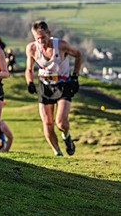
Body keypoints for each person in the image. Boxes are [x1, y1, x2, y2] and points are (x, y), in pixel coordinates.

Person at [25, 20, 83, 156]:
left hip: (62, 84)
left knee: (61, 122)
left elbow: (78, 55)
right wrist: (30, 82)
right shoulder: (32, 48)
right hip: (45, 85)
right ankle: (57, 152)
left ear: (49, 34)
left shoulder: (61, 45)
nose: (41, 42)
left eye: (43, 38)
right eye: (38, 39)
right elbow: (29, 68)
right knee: (47, 122)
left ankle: (66, 136)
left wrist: (75, 76)